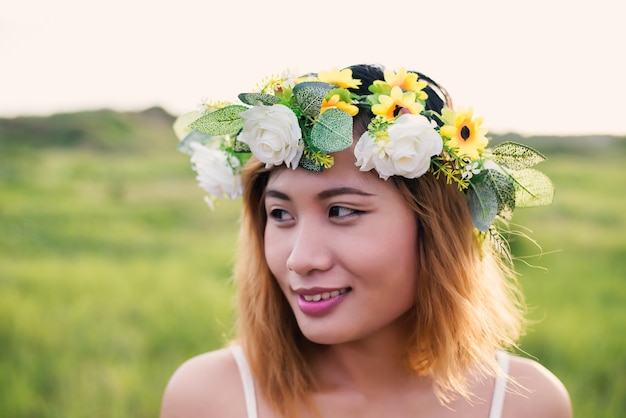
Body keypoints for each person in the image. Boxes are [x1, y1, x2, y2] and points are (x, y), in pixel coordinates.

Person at [160, 64, 572, 418]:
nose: (300, 260)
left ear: (435, 228)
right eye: (280, 214)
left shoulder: (525, 403)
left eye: (341, 211)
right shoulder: (207, 399)